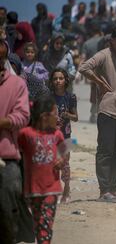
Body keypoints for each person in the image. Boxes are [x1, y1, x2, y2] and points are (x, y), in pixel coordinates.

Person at [79, 26, 116, 201]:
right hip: (107, 110)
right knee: (105, 151)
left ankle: (114, 187)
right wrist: (99, 82)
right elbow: (83, 67)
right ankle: (104, 190)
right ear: (111, 40)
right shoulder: (103, 55)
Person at [18, 96, 67, 244]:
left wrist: (62, 159)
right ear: (44, 116)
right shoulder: (25, 134)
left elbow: (65, 151)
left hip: (51, 188)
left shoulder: (57, 134)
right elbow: (16, 152)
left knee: (46, 223)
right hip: (32, 189)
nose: (57, 117)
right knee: (38, 222)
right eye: (54, 113)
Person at [0, 40, 32, 243]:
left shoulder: (17, 84)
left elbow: (22, 116)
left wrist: (4, 121)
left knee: (8, 202)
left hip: (7, 155)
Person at [50, 68, 78, 203]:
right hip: (51, 135)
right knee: (52, 163)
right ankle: (53, 189)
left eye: (60, 78)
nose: (58, 81)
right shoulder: (48, 97)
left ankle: (66, 188)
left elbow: (76, 117)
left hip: (66, 135)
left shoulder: (71, 97)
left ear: (65, 80)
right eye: (55, 79)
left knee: (65, 163)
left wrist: (68, 115)